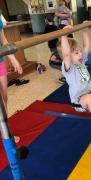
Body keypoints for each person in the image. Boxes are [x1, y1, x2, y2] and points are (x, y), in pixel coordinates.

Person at [0, 13, 22, 143]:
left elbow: (3, 39)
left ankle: (4, 131)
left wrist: (13, 59)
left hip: (0, 60)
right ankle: (5, 132)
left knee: (4, 99)